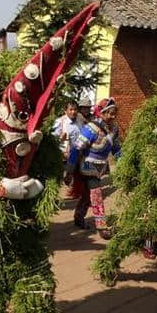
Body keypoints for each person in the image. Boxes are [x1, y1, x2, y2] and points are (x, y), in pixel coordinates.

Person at [65, 98, 121, 238]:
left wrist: (124, 162)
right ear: (102, 113)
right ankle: (102, 227)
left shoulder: (114, 129)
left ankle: (78, 217)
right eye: (110, 113)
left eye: (115, 113)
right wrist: (70, 170)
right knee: (96, 193)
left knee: (87, 195)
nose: (113, 116)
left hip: (100, 166)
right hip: (87, 165)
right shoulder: (91, 128)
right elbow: (76, 148)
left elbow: (116, 149)